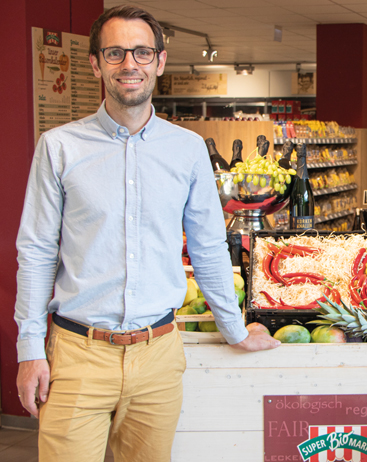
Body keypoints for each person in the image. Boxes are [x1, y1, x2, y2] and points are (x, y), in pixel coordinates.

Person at [14, 6, 280, 461]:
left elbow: (209, 246)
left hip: (158, 355)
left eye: (141, 52)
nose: (129, 64)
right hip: (78, 353)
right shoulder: (59, 147)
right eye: (115, 53)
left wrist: (234, 329)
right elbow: (36, 250)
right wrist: (28, 349)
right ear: (96, 64)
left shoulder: (188, 149)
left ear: (159, 61)